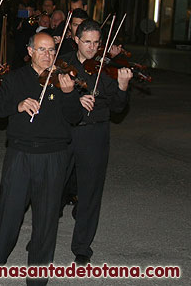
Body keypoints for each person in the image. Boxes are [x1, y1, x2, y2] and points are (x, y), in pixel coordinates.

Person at [0, 32, 82, 286]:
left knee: (47, 217)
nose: (47, 55)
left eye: (51, 50)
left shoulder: (64, 79)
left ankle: (37, 275)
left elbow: (75, 118)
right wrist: (15, 105)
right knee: (9, 211)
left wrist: (71, 95)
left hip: (53, 156)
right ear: (30, 51)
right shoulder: (15, 79)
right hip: (20, 154)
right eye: (41, 49)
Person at [59, 19, 132, 265]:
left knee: (90, 191)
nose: (91, 48)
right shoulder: (62, 62)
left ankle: (82, 246)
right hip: (65, 132)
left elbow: (118, 108)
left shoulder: (105, 69)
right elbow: (48, 96)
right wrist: (72, 100)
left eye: (96, 43)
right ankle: (43, 235)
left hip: (94, 134)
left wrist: (122, 87)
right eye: (87, 42)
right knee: (52, 186)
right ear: (76, 40)